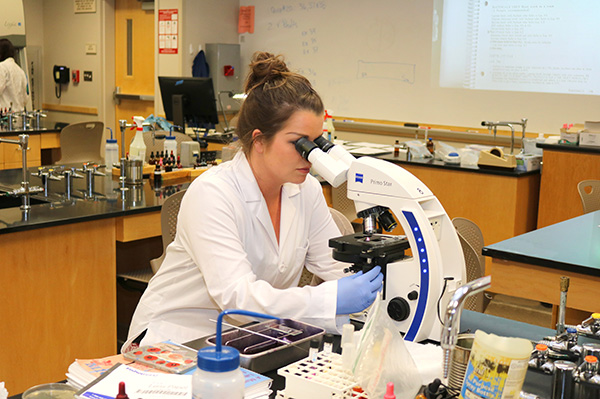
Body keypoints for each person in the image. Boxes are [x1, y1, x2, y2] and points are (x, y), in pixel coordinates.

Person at [123, 52, 383, 351]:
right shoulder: (213, 193)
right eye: (299, 143)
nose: (311, 156)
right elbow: (238, 297)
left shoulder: (306, 190)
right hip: (176, 338)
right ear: (259, 140)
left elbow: (340, 269)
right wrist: (330, 298)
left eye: (317, 143)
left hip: (251, 337)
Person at [0, 39, 29, 111]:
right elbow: (25, 98)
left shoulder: (2, 67)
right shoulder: (21, 71)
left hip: (4, 116)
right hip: (19, 116)